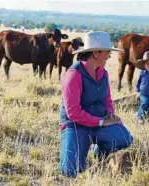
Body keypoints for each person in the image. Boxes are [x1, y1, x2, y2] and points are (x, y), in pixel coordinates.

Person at [59, 31, 133, 177]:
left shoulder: (103, 73)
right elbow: (73, 113)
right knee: (70, 170)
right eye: (107, 52)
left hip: (99, 122)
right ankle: (83, 144)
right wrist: (101, 122)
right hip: (75, 125)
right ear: (95, 54)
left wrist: (110, 114)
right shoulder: (74, 75)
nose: (109, 56)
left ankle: (99, 152)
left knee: (125, 139)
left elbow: (107, 100)